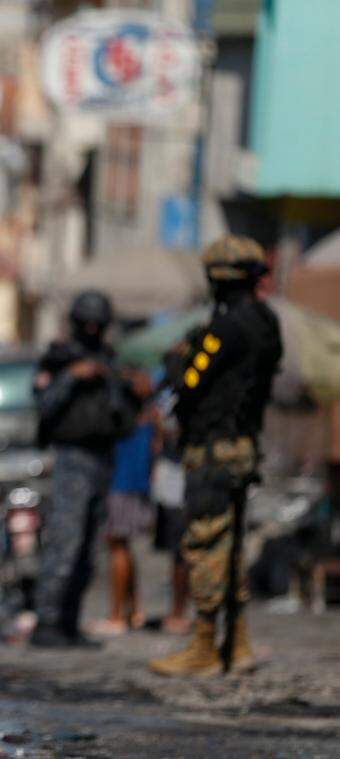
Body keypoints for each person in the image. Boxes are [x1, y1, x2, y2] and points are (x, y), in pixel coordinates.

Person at [149, 235, 282, 677]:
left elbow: (189, 385)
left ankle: (205, 647)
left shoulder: (223, 329)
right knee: (233, 545)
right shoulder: (267, 323)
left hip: (212, 450)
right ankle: (237, 642)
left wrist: (176, 361)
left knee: (206, 543)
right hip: (244, 447)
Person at [30, 290, 137, 648]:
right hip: (71, 458)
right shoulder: (59, 360)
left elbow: (123, 411)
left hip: (103, 457)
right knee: (66, 542)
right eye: (87, 323)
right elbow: (44, 404)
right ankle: (47, 623)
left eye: (98, 324)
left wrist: (120, 384)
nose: (92, 329)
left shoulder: (108, 360)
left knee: (88, 549)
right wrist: (73, 376)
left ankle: (70, 622)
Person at [89, 373, 158, 636]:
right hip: (135, 485)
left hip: (121, 484)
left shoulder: (126, 420)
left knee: (116, 547)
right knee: (124, 548)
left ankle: (117, 615)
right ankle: (133, 610)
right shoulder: (148, 417)